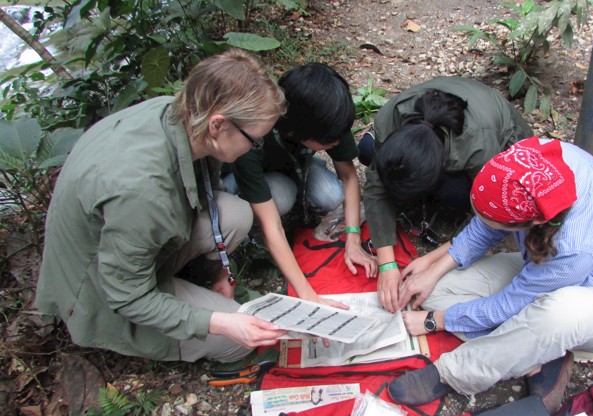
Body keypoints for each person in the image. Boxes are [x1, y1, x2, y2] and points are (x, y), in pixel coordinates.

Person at [35, 49, 288, 362]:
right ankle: (168, 308)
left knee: (235, 214)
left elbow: (209, 192)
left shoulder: (179, 114)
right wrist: (220, 322)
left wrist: (220, 269)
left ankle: (185, 284)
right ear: (218, 125)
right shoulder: (143, 192)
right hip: (101, 289)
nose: (255, 147)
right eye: (255, 139)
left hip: (134, 243)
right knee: (238, 342)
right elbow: (127, 297)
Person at [386, 137, 593, 414]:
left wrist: (435, 322)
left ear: (536, 222)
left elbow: (506, 305)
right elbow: (489, 223)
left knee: (556, 315)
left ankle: (452, 372)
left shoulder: (575, 247)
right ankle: (536, 353)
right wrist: (435, 269)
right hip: (544, 272)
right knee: (435, 292)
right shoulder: (531, 156)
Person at [358, 76, 533, 313]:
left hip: (498, 143)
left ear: (441, 167)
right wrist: (387, 264)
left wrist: (435, 261)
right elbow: (377, 185)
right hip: (442, 145)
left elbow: (487, 221)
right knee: (369, 151)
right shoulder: (390, 117)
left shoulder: (478, 146)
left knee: (456, 195)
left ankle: (442, 192)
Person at [222, 63, 376, 307]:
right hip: (252, 179)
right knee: (280, 197)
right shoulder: (254, 136)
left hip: (296, 168)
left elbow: (348, 176)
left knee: (331, 196)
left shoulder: (330, 118)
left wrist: (353, 239)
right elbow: (272, 227)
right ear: (295, 132)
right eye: (327, 142)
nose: (335, 143)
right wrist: (308, 293)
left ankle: (297, 194)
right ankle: (249, 235)